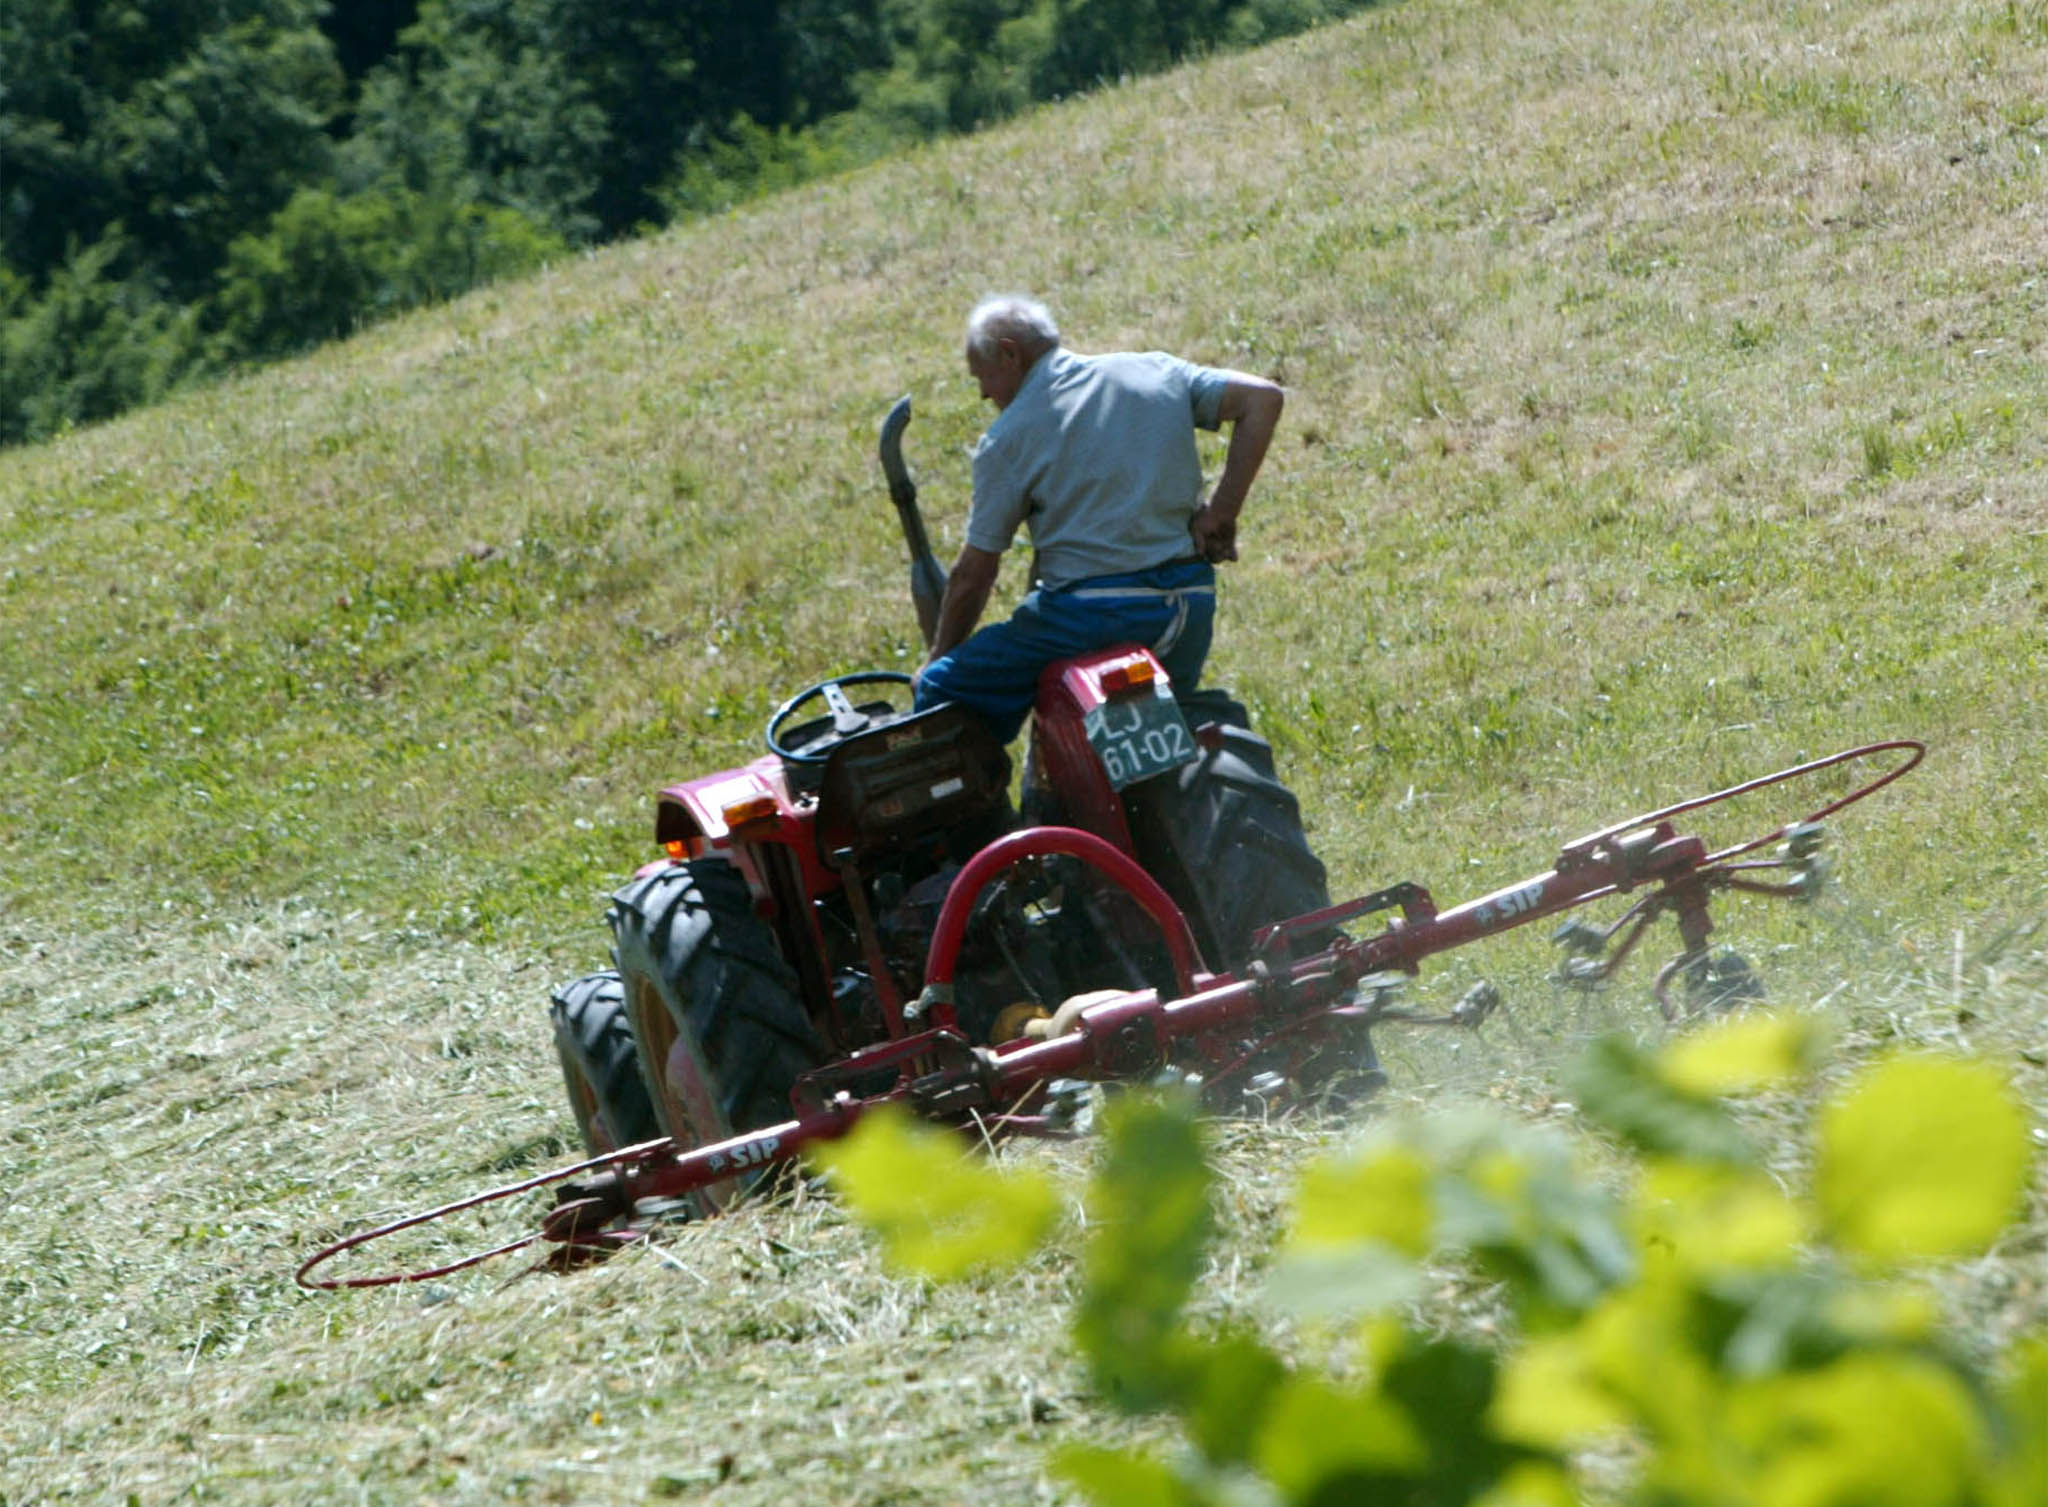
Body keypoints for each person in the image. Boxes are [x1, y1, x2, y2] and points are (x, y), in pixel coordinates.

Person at [913, 294, 1285, 743]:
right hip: (1189, 606)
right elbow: (1263, 399)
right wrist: (1222, 511)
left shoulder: (1007, 439)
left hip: (1091, 618)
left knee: (944, 687)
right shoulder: (1156, 371)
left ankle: (987, 791)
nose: (983, 394)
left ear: (1010, 354)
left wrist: (938, 656)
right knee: (1174, 731)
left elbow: (975, 574)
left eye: (982, 377)